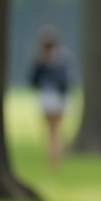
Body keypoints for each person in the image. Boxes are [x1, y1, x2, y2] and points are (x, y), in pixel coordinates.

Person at [29, 26, 72, 168]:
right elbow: (67, 80)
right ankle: (56, 160)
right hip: (58, 98)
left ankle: (51, 160)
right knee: (56, 131)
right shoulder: (63, 58)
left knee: (50, 132)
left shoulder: (40, 60)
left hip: (46, 98)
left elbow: (32, 80)